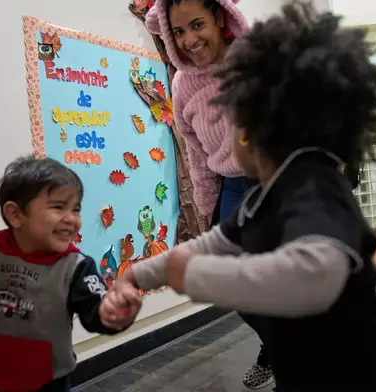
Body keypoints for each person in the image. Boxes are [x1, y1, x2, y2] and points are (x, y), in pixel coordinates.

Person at [107, 1, 376, 391]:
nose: (224, 132)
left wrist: (197, 278)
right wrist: (137, 276)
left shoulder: (312, 190)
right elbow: (216, 242)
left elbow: (311, 277)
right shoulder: (260, 201)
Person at [0, 157, 142, 392]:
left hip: (47, 383)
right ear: (15, 215)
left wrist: (115, 314)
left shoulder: (76, 267)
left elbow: (95, 310)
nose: (71, 218)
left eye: (76, 209)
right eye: (58, 207)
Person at [144, 0, 273, 388]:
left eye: (197, 25)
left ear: (220, 17)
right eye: (178, 32)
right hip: (231, 189)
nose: (189, 40)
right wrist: (204, 204)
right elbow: (195, 151)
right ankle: (277, 344)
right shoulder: (182, 84)